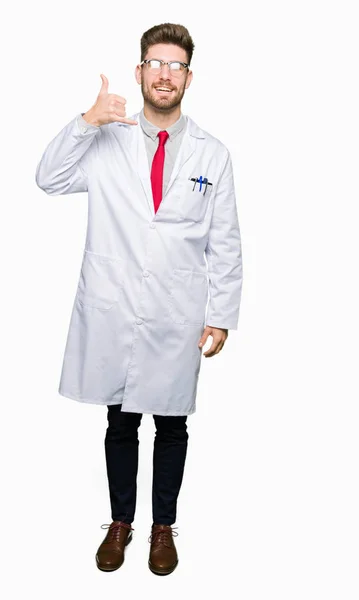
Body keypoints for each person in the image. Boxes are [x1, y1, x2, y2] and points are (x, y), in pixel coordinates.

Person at [35, 23, 243, 575]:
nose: (165, 74)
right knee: (121, 421)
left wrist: (221, 315)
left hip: (179, 312)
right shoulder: (107, 139)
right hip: (116, 306)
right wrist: (85, 122)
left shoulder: (212, 154)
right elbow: (48, 178)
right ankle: (121, 522)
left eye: (176, 65)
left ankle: (162, 528)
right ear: (139, 72)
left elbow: (225, 240)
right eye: (156, 63)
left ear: (189, 76)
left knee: (172, 425)